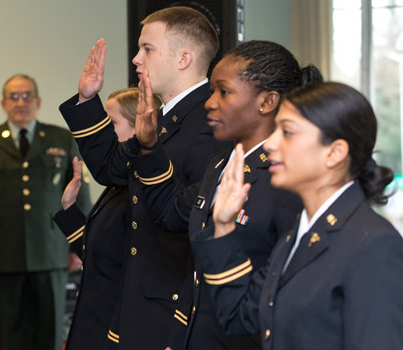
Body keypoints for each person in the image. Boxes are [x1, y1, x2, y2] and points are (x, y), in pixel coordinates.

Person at [59, 7, 231, 349]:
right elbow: (111, 168)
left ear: (184, 58)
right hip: (135, 304)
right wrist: (88, 99)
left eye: (147, 49)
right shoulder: (163, 119)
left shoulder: (207, 123)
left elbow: (188, 220)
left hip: (168, 310)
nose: (137, 59)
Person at [131, 41, 321, 349]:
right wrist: (149, 147)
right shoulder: (222, 163)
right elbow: (171, 214)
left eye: (224, 91)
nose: (209, 102)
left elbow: (287, 295)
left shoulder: (288, 180)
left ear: (267, 101)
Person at [192, 82, 403, 349]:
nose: (272, 144)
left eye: (288, 132)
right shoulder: (299, 233)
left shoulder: (374, 245)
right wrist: (222, 226)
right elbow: (240, 317)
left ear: (335, 152)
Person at [0, 74, 92, 350]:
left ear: (38, 101)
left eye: (27, 96)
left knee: (52, 334)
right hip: (2, 253)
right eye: (14, 97)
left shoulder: (62, 138)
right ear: (3, 103)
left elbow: (81, 195)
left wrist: (78, 246)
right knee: (9, 335)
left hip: (52, 250)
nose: (21, 103)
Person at [53, 88, 162, 350]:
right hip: (96, 317)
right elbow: (102, 254)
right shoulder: (120, 183)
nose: (102, 131)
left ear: (139, 127)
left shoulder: (141, 187)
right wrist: (69, 210)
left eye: (110, 123)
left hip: (114, 325)